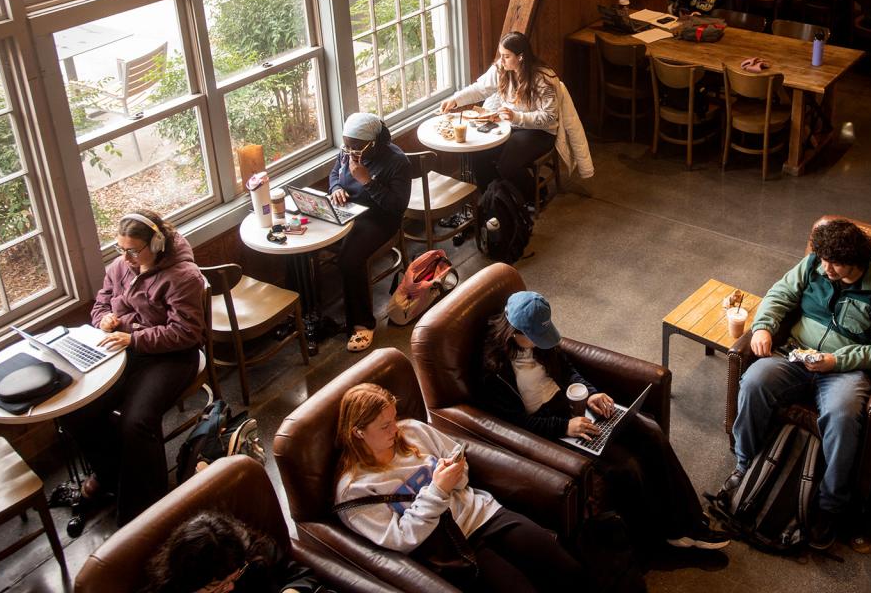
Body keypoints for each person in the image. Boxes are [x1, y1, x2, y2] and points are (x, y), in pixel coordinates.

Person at [477, 291, 730, 552]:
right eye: (536, 338)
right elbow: (514, 422)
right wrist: (564, 427)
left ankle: (690, 522)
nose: (543, 344)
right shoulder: (494, 370)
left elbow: (567, 369)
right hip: (548, 425)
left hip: (572, 405)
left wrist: (590, 392)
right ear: (514, 332)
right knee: (625, 465)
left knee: (651, 432)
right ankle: (666, 537)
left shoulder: (543, 346)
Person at [726, 218, 871, 549]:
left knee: (842, 415)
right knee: (753, 382)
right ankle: (744, 466)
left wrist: (836, 361)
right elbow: (779, 293)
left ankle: (829, 507)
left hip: (844, 371)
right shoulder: (813, 265)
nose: (825, 268)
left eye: (834, 262)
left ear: (858, 261)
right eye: (822, 259)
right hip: (795, 355)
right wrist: (764, 326)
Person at [333, 383, 587, 593]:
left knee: (567, 569)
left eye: (393, 418)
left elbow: (457, 456)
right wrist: (438, 490)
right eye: (384, 426)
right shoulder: (355, 491)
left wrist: (455, 474)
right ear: (358, 433)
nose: (395, 428)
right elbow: (401, 539)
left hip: (484, 513)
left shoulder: (413, 431)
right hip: (454, 547)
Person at [63, 211, 206, 524]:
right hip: (126, 348)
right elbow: (102, 301)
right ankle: (113, 476)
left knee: (137, 421)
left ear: (155, 244)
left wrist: (132, 336)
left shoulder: (184, 276)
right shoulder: (120, 266)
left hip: (174, 356)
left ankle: (146, 510)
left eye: (132, 250)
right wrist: (103, 318)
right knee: (75, 412)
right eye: (120, 249)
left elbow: (185, 333)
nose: (125, 257)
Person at [439, 32, 558, 204]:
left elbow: (549, 117)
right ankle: (495, 198)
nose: (501, 61)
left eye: (506, 56)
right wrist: (455, 100)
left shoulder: (543, 78)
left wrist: (516, 116)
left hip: (540, 131)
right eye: (501, 55)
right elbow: (480, 89)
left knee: (507, 163)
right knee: (478, 153)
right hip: (512, 125)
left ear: (521, 57)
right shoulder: (501, 69)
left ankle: (533, 194)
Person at [327, 112, 410, 352]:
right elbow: (334, 173)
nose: (350, 152)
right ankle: (310, 317)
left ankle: (363, 323)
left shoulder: (397, 161)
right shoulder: (347, 152)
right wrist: (337, 188)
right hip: (348, 209)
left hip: (379, 218)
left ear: (373, 143)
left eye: (357, 147)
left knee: (349, 259)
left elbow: (397, 206)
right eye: (347, 145)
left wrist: (367, 182)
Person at [143, 511, 330, 593]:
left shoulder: (252, 553)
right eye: (214, 588)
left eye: (234, 578)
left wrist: (291, 590)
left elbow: (299, 575)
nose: (230, 588)